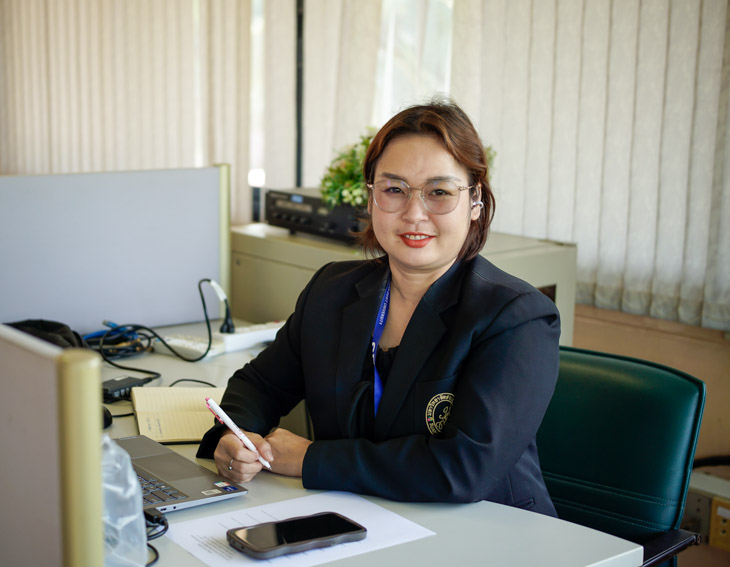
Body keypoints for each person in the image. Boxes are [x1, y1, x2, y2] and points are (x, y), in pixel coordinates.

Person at [197, 99, 561, 516]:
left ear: (475, 201)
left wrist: (310, 459)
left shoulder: (517, 317)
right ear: (371, 198)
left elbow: (465, 468)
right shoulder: (332, 291)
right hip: (361, 519)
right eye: (394, 190)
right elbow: (259, 385)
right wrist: (236, 435)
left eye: (439, 192)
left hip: (488, 530)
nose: (414, 214)